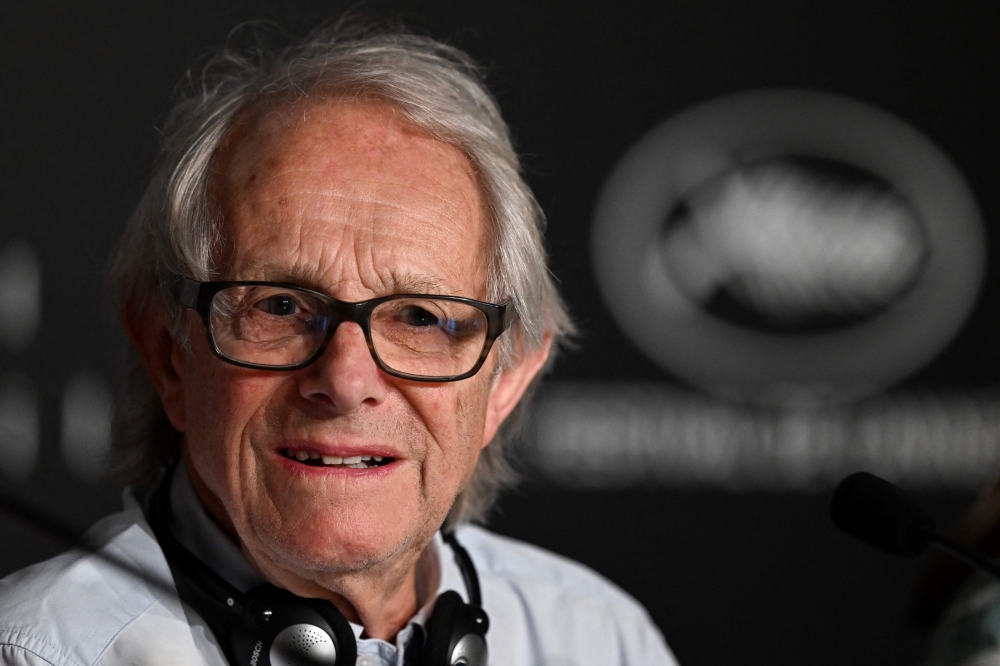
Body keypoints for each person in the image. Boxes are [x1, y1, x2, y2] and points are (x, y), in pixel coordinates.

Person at [0, 21, 677, 666]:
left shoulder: (603, 640)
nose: (347, 379)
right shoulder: (34, 652)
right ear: (168, 352)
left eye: (418, 317)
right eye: (282, 305)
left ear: (506, 382)